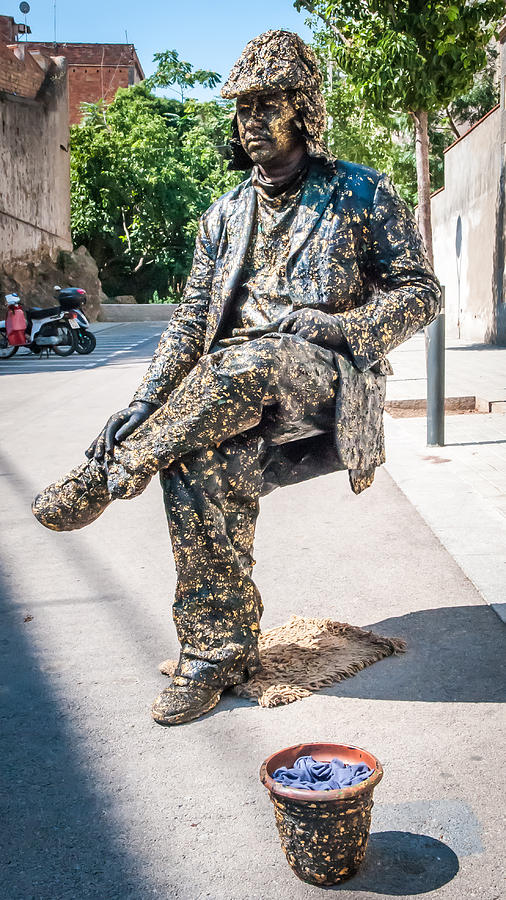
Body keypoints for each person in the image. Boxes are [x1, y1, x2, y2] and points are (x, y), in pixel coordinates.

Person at [32, 30, 441, 726]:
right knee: (193, 465)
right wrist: (141, 405)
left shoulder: (361, 192)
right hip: (227, 388)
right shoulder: (222, 217)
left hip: (323, 374)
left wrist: (343, 326)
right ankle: (216, 654)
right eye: (242, 107)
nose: (251, 120)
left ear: (302, 109)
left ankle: (106, 476)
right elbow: (190, 325)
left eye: (267, 105)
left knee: (249, 358)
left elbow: (420, 290)